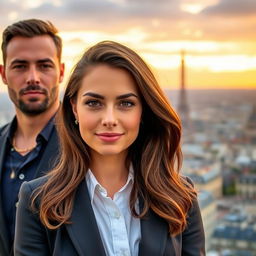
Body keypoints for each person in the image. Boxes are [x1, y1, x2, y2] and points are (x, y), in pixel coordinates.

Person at [14, 41, 205, 256]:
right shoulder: (37, 202)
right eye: (94, 103)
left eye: (126, 103)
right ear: (74, 108)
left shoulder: (181, 197)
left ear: (143, 111)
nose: (109, 119)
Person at [0, 19, 64, 255]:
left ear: (61, 72)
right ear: (3, 74)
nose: (33, 77)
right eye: (20, 66)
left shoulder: (88, 147)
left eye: (44, 65)